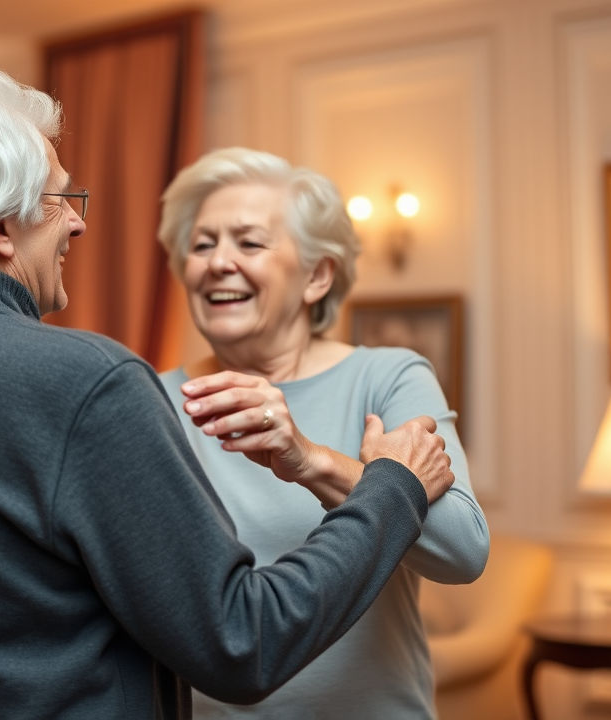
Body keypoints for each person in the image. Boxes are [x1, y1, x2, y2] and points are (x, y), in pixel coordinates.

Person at [0, 69, 456, 720]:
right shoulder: (86, 380)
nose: (76, 224)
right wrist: (391, 487)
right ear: (1, 227)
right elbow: (242, 643)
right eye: (60, 199)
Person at [156, 147, 490, 719]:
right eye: (202, 244)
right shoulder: (154, 400)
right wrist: (386, 477)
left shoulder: (387, 377)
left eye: (249, 242)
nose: (217, 262)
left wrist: (311, 461)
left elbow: (463, 551)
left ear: (317, 276)